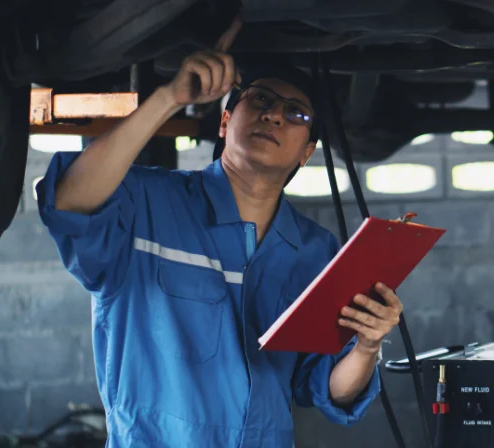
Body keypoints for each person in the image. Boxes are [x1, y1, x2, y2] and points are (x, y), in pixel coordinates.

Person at [35, 48, 402, 447]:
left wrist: (368, 345)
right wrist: (167, 98)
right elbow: (69, 201)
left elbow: (329, 388)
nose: (275, 114)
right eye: (260, 98)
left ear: (306, 153)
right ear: (225, 122)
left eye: (296, 112)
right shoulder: (147, 204)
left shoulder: (314, 251)